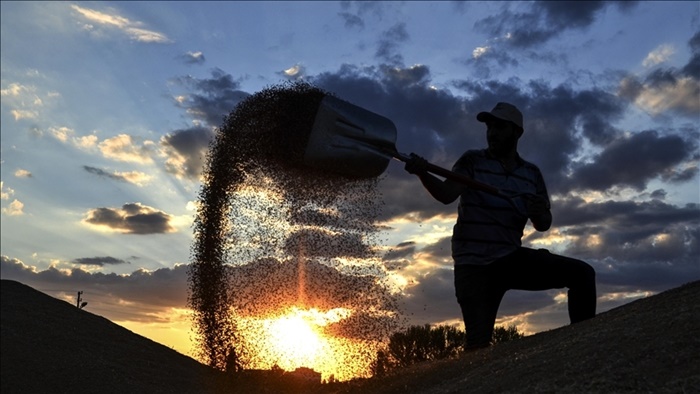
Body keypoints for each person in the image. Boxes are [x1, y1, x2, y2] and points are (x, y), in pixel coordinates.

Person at [404, 102, 597, 350]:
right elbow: (446, 194)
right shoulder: (472, 160)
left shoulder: (531, 174)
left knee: (582, 274)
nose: (492, 132)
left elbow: (543, 223)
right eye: (489, 126)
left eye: (500, 127)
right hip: (473, 266)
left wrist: (538, 212)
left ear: (517, 132)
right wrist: (422, 173)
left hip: (509, 259)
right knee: (478, 347)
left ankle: (584, 348)